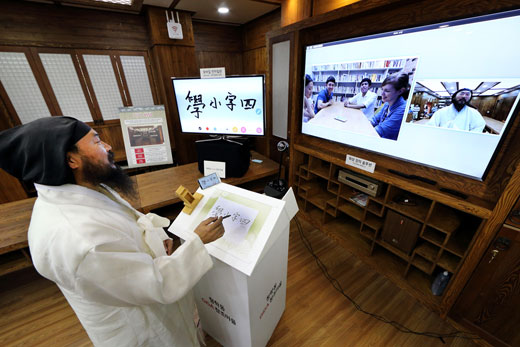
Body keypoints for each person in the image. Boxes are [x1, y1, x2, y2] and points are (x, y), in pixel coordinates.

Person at [0, 116, 225, 346]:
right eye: (97, 142)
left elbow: (128, 221)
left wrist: (158, 236)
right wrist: (198, 242)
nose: (108, 147)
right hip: (140, 326)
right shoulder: (78, 237)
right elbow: (155, 283)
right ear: (71, 159)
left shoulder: (82, 189)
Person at [370, 73, 409, 140]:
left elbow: (380, 131)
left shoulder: (403, 110)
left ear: (400, 91)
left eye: (387, 91)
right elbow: (374, 120)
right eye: (382, 89)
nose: (382, 94)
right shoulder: (387, 103)